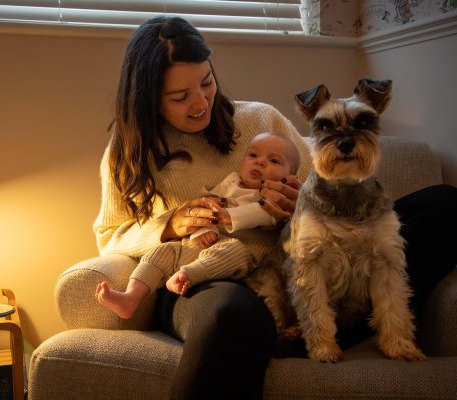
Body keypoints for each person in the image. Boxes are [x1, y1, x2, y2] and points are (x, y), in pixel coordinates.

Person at [91, 15, 457, 400]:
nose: (200, 102)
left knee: (444, 205)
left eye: (206, 82)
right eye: (180, 97)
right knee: (229, 315)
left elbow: (321, 184)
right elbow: (108, 237)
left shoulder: (260, 118)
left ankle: (317, 329)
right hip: (206, 277)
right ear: (148, 96)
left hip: (292, 267)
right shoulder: (127, 152)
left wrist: (299, 205)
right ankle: (303, 332)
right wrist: (169, 225)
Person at [96, 131, 301, 320]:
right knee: (163, 252)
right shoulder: (231, 182)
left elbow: (261, 214)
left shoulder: (273, 196)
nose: (261, 163)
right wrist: (204, 228)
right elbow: (208, 205)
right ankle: (130, 297)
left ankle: (185, 276)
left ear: (290, 177)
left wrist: (226, 216)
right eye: (253, 156)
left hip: (236, 255)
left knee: (233, 250)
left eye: (274, 161)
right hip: (199, 245)